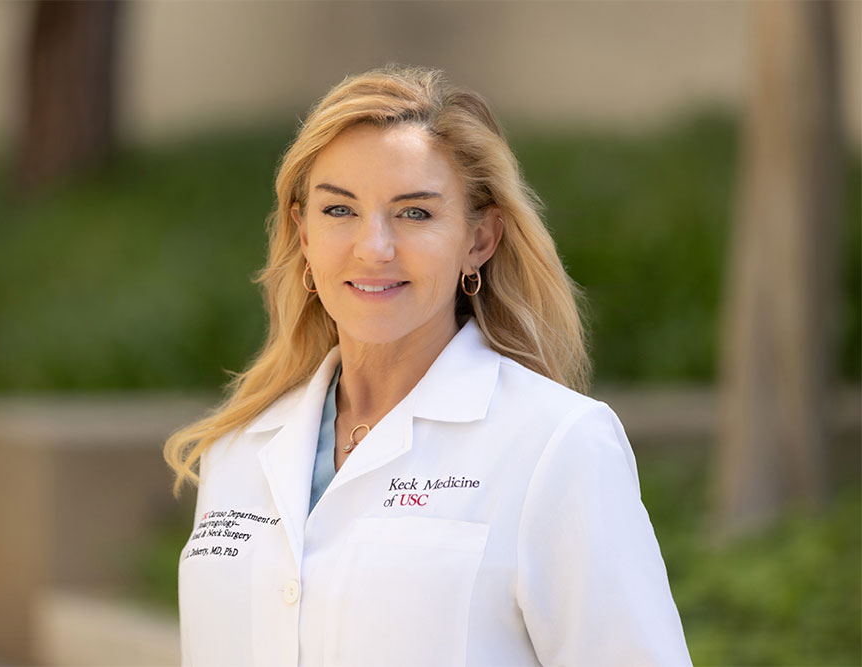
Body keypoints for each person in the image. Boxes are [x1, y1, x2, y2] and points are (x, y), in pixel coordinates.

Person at [164, 64, 691, 667]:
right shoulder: (239, 448)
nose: (374, 248)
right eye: (339, 211)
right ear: (302, 233)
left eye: (414, 213)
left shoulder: (557, 444)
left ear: (479, 240)